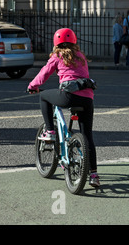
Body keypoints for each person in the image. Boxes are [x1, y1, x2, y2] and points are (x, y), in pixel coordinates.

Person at [27, 28, 99, 187]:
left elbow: (44, 73)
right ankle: (94, 174)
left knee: (44, 96)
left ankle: (50, 131)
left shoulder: (57, 56)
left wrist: (33, 86)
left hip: (68, 97)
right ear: (74, 41)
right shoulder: (81, 56)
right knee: (87, 137)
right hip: (87, 99)